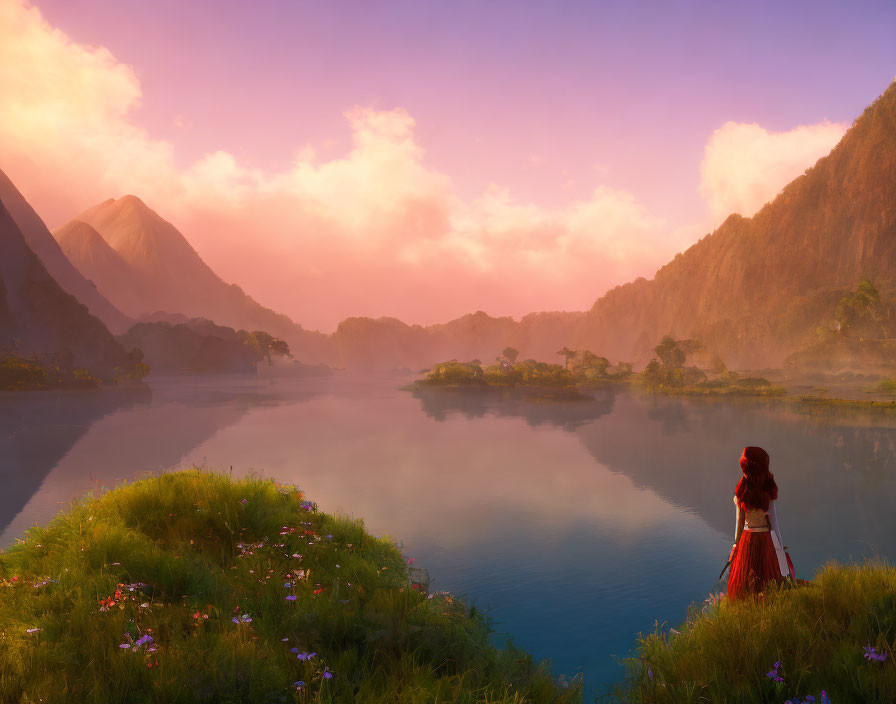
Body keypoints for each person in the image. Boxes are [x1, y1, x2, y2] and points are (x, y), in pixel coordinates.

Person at [726, 446, 791, 600]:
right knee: (767, 581)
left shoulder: (741, 491)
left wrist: (735, 546)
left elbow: (739, 526)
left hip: (747, 541)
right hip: (765, 541)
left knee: (745, 585)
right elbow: (774, 525)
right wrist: (780, 549)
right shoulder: (768, 492)